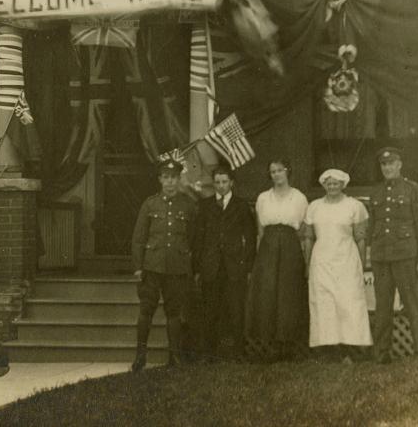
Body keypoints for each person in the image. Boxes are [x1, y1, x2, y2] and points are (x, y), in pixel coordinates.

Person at [368, 145, 418, 363]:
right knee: (383, 306)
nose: (387, 167)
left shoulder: (413, 191)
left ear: (400, 165)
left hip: (406, 257)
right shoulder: (376, 192)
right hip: (381, 258)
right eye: (383, 164)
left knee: (412, 304)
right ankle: (382, 353)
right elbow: (373, 226)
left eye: (391, 163)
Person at [130, 156, 198, 372]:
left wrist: (191, 268)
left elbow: (193, 238)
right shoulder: (150, 204)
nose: (170, 182)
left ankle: (174, 357)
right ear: (160, 179)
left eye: (174, 178)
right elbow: (139, 238)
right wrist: (138, 267)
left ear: (179, 180)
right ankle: (140, 356)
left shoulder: (188, 205)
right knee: (146, 311)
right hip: (152, 266)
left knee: (174, 313)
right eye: (166, 177)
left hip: (177, 268)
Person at [302, 169, 372, 358]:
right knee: (324, 303)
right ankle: (328, 348)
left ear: (343, 185)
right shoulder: (314, 207)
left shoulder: (354, 206)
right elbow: (308, 238)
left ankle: (354, 347)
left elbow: (361, 238)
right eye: (328, 184)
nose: (332, 187)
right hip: (322, 260)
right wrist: (307, 264)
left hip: (346, 259)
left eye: (336, 184)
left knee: (349, 301)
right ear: (324, 185)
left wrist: (362, 263)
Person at [193, 163, 256, 360]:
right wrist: (197, 267)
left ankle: (237, 352)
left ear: (232, 183)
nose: (221, 186)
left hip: (234, 266)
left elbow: (251, 237)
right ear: (213, 184)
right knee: (210, 310)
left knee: (236, 309)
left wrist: (246, 265)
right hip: (211, 266)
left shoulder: (241, 206)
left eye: (224, 182)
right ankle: (209, 353)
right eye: (217, 182)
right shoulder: (205, 206)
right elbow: (198, 239)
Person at [248, 157, 308, 360]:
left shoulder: (299, 197)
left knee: (288, 292)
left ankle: (288, 343)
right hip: (268, 246)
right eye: (272, 172)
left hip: (290, 245)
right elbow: (260, 230)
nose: (276, 175)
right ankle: (271, 344)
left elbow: (302, 231)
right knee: (268, 293)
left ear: (287, 171)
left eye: (280, 170)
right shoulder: (263, 198)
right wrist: (259, 255)